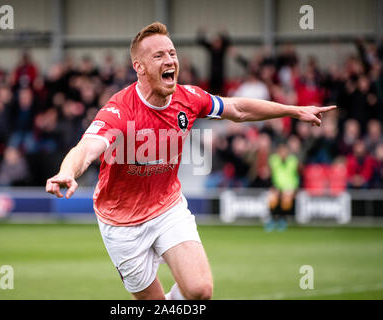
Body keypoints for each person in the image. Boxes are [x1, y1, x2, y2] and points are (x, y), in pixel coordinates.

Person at [46, 22, 336, 300]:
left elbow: (238, 109)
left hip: (167, 207)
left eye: (172, 53)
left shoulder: (189, 97)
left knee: (199, 291)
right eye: (158, 55)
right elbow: (86, 148)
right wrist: (67, 171)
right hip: (121, 222)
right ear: (140, 67)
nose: (170, 59)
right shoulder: (119, 111)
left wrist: (293, 110)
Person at [266, 143, 299, 232]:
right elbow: (270, 174)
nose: (282, 153)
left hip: (289, 186)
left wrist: (295, 188)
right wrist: (272, 186)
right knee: (272, 198)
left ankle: (282, 220)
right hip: (276, 186)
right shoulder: (274, 160)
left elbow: (297, 175)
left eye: (284, 151)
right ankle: (272, 220)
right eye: (281, 151)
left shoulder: (293, 161)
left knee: (286, 200)